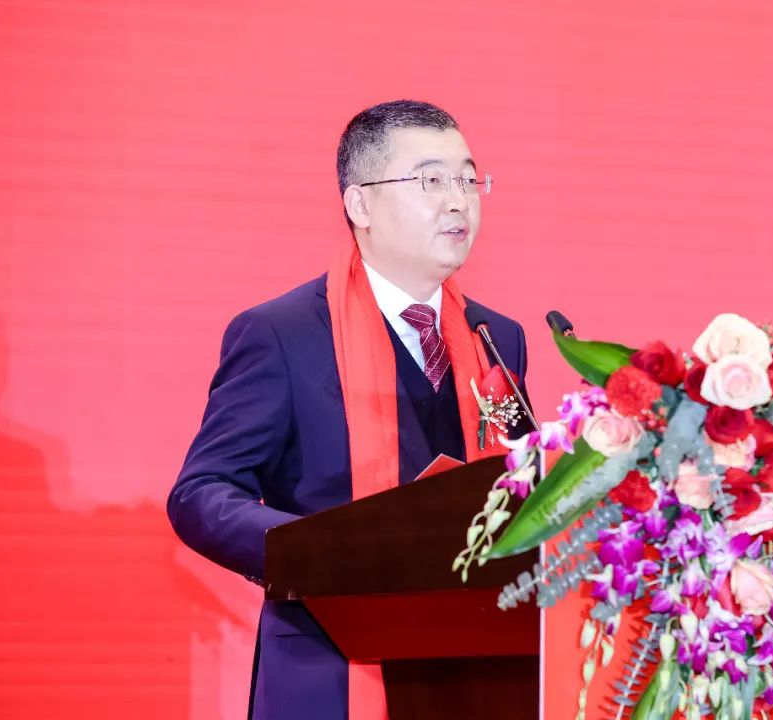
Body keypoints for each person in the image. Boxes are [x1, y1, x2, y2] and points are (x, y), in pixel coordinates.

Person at [167, 100, 530, 720]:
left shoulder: (496, 338)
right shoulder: (281, 334)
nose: (458, 201)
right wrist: (317, 552)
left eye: (470, 180)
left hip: (476, 669)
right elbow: (200, 494)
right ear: (360, 204)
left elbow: (516, 485)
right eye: (431, 180)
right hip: (331, 669)